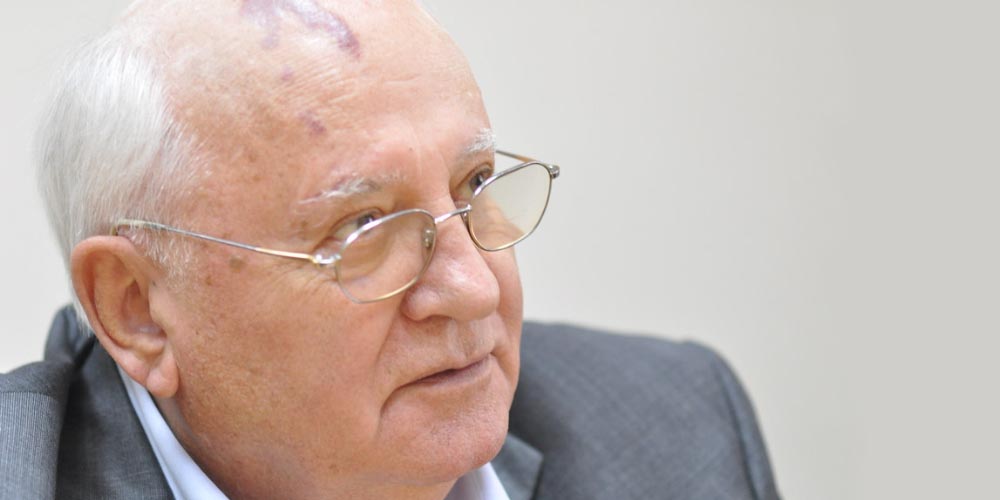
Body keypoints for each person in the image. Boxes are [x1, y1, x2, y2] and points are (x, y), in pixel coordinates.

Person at [0, 1, 780, 498]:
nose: (475, 289)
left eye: (476, 183)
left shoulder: (678, 428)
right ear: (138, 310)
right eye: (365, 230)